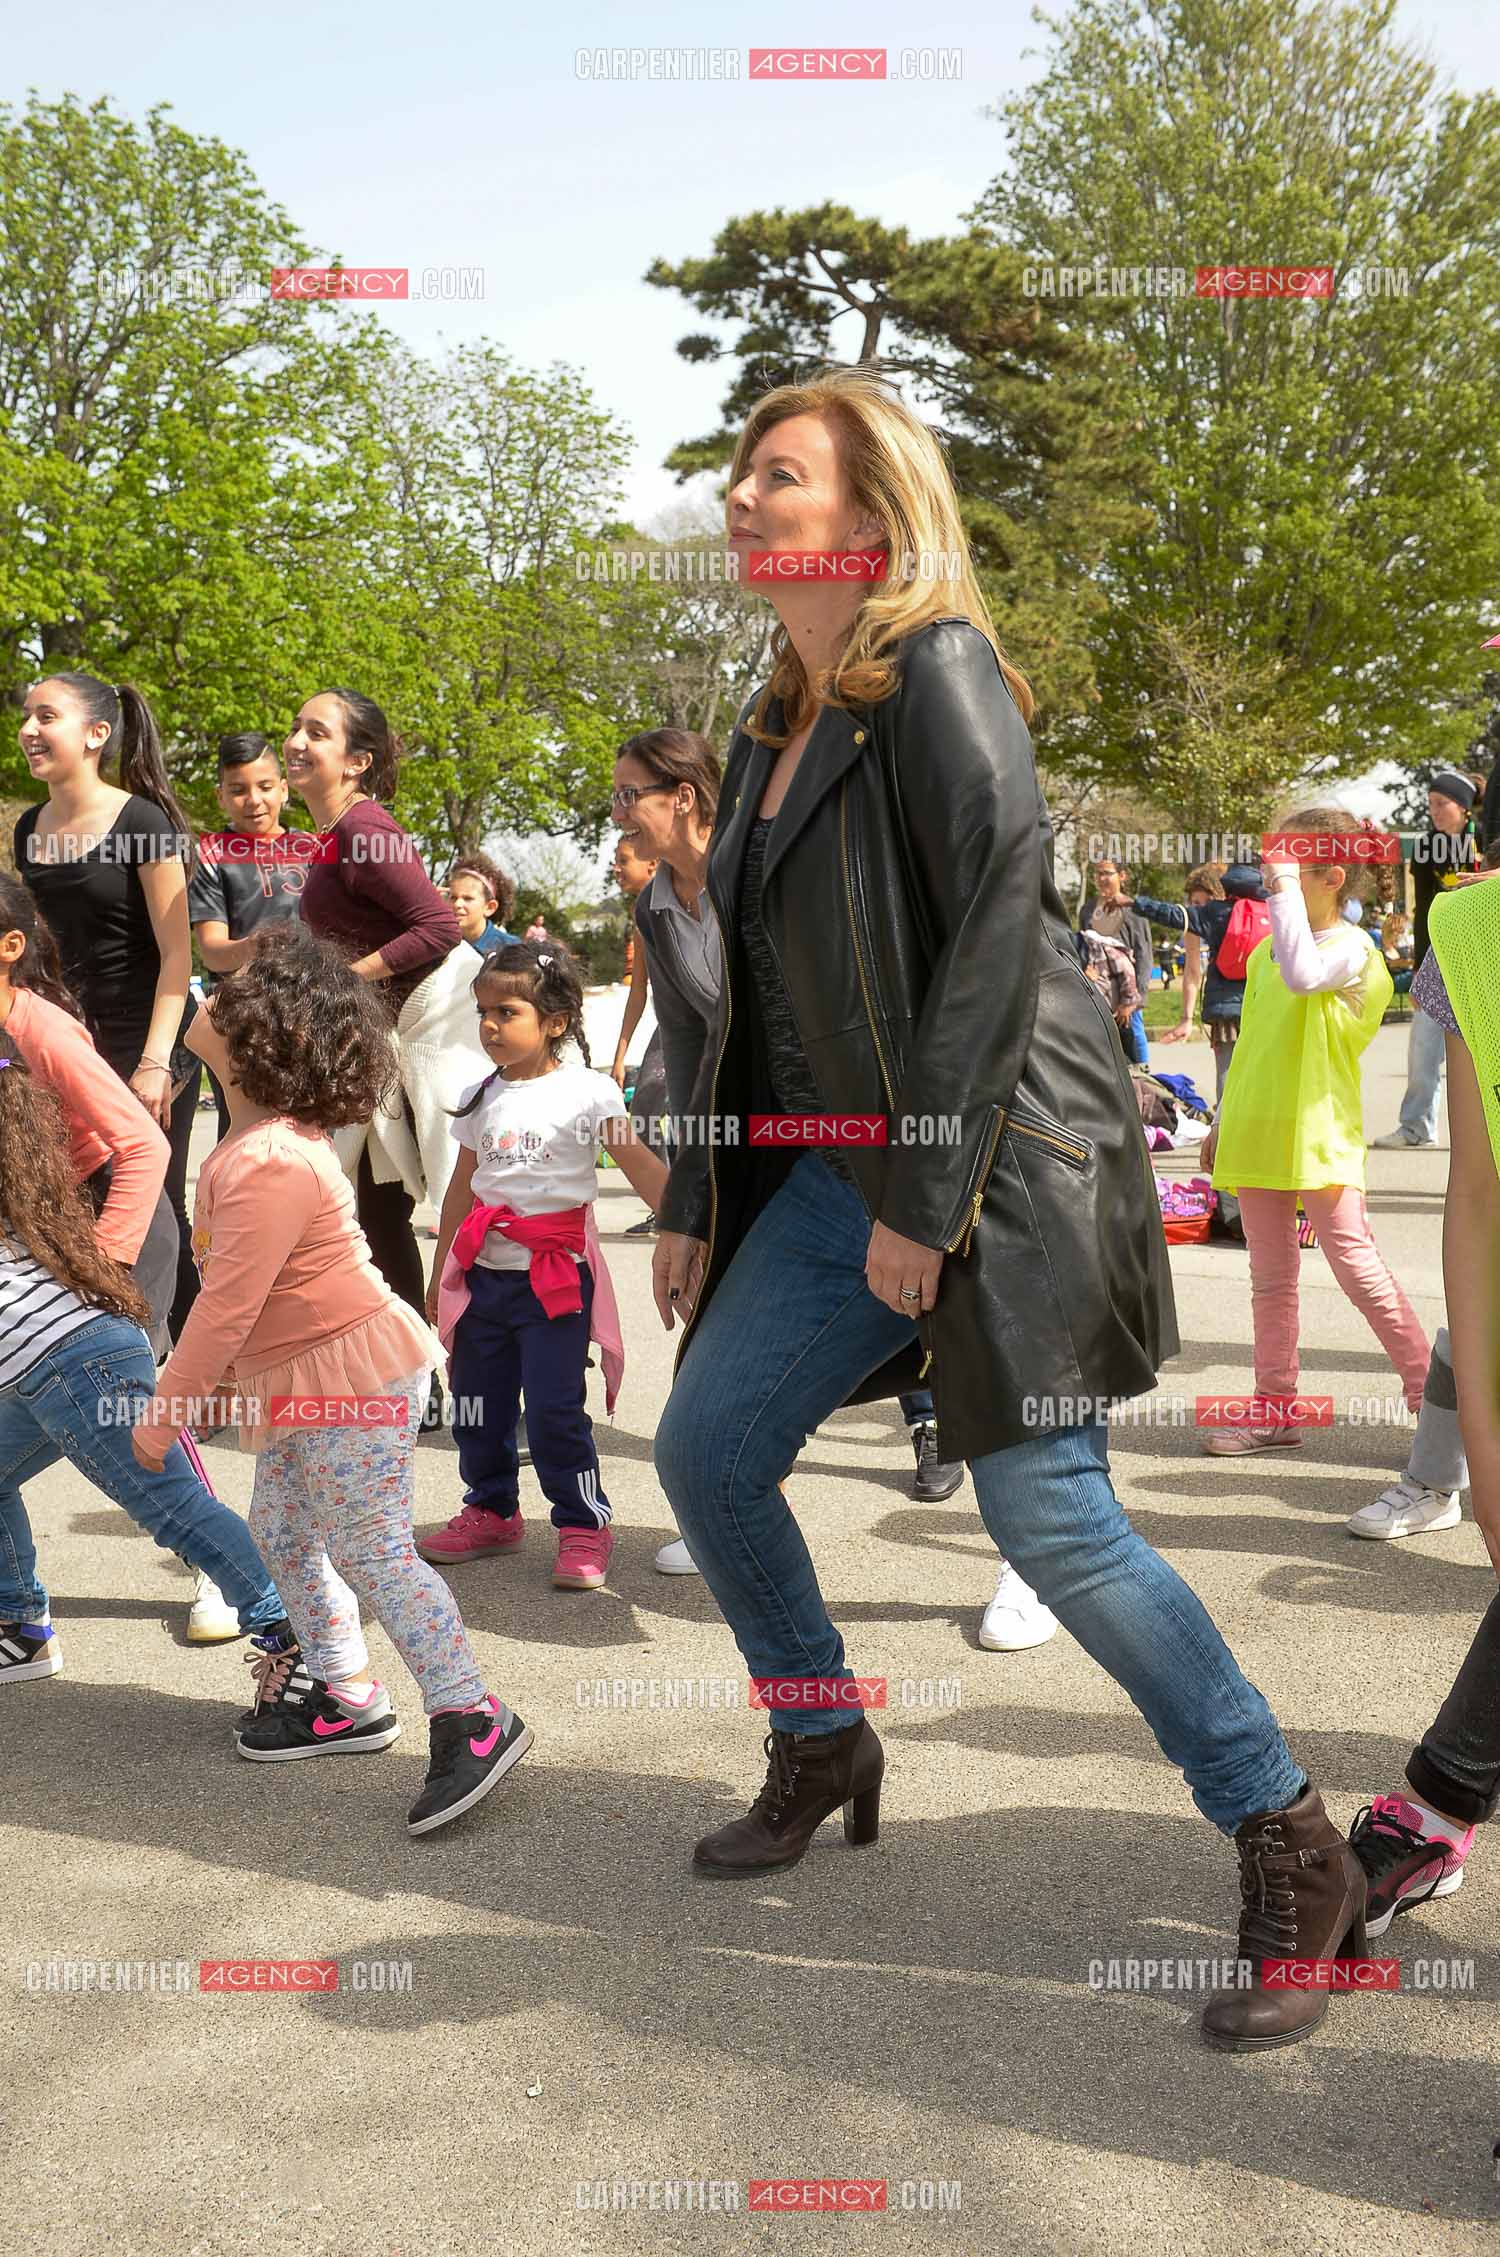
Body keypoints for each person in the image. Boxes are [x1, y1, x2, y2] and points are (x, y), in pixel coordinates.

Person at [649, 365, 1356, 2052]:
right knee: (706, 1451)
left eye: (781, 474)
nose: (744, 497)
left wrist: (932, 1185)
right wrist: (693, 1184)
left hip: (995, 1167)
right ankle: (825, 1736)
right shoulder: (773, 719)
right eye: (742, 473)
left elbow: (989, 931)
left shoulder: (938, 670)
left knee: (1055, 1528)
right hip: (824, 1172)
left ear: (871, 521)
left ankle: (1294, 1837)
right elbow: (740, 993)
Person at [130, 923, 531, 1835]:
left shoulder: (270, 1159)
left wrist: (168, 1410)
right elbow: (251, 1308)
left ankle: (473, 1713)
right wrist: (234, 1383)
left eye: (227, 1000)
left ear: (258, 1044)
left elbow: (225, 1306)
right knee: (279, 1526)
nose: (208, 1000)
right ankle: (347, 1693)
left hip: (353, 1377)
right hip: (307, 1378)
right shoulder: (252, 1145)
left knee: (372, 1547)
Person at [0, 1038, 296, 1688]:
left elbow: (143, 1148)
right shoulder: (20, 1151)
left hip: (73, 1365)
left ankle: (301, 1652)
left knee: (173, 1511)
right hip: (41, 1368)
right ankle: (21, 1630)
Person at [1345, 871, 1500, 1934]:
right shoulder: (1476, 930)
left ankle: (1438, 1800)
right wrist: (1482, 1451)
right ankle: (1437, 1806)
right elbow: (1478, 1198)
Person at [416, 941, 666, 1589]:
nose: (491, 1025)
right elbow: (460, 1189)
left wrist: (690, 1230)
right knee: (478, 1402)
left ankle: (584, 1522)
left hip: (556, 1280)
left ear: (555, 1021)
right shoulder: (478, 1096)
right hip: (483, 1280)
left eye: (508, 1010)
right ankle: (492, 1509)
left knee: (555, 1408)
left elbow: (640, 1168)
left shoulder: (591, 1092)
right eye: (483, 1012)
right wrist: (440, 1273)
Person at [288, 687, 489, 1425]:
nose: (298, 740)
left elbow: (437, 925)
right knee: (375, 1214)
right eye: (297, 726)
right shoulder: (335, 834)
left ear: (359, 760)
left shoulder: (366, 828)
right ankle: (420, 1380)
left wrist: (350, 975)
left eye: (319, 731)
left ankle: (509, 1394)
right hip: (381, 1047)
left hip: (434, 1038)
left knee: (466, 1209)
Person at [1201, 810, 1430, 1455]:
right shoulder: (1273, 948)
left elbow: (1305, 975)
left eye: (1288, 867)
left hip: (1318, 1136)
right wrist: (1224, 1119)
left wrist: (1275, 889)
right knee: (1271, 1280)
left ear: (1331, 877)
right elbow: (1252, 1045)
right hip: (1258, 1132)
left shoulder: (1353, 951)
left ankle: (1431, 1401)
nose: (1272, 877)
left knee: (1358, 1268)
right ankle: (1275, 1411)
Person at [15, 672, 201, 1342]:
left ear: (97, 733)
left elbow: (178, 958)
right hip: (65, 1046)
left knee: (155, 1202)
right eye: (26, 716)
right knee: (72, 1194)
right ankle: (88, 1345)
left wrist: (155, 1063)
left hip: (143, 1042)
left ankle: (179, 1363)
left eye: (47, 715)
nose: (30, 729)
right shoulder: (29, 829)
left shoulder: (142, 823)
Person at [189, 732, 316, 1141]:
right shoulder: (211, 853)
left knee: (314, 1126)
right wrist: (258, 946)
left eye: (264, 787)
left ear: (283, 789)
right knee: (245, 1132)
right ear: (220, 796)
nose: (254, 800)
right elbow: (211, 952)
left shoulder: (314, 849)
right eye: (238, 790)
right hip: (242, 1016)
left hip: (314, 1009)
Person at [1372, 771, 1480, 1150]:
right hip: (1438, 956)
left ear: (1464, 809)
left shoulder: (1486, 841)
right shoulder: (1426, 849)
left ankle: (1485, 1135)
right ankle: (1416, 1126)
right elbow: (1423, 912)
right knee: (1423, 1046)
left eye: (1441, 804)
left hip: (1482, 955)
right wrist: (1419, 965)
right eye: (1430, 803)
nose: (1433, 811)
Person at [1133, 863, 1267, 1103]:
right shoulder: (1258, 912)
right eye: (1193, 902)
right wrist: (1186, 1018)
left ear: (1216, 895)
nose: (1196, 908)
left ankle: (1224, 1130)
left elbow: (1193, 973)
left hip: (1227, 1009)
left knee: (1227, 1074)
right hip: (1261, 1004)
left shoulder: (1212, 916)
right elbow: (1192, 971)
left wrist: (1187, 1019)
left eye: (1200, 901)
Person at [607, 833, 664, 1240]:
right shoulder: (642, 913)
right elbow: (638, 991)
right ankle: (668, 1203)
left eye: (622, 859)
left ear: (653, 864)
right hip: (674, 1030)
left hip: (717, 1024)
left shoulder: (705, 892)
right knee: (643, 1108)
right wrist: (620, 1054)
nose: (615, 867)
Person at [1079, 859, 1154, 1065]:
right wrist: (1085, 971)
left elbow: (1144, 956)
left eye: (1107, 873)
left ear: (1122, 876)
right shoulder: (1087, 910)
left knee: (1134, 1035)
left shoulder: (1134, 911)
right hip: (1098, 990)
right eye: (1098, 874)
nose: (1102, 879)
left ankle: (1143, 1079)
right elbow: (1083, 948)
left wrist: (1133, 1000)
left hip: (1127, 992)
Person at [446, 853, 519, 957]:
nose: (457, 904)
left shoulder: (510, 949)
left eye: (468, 898)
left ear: (490, 907)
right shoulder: (441, 944)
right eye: (453, 897)